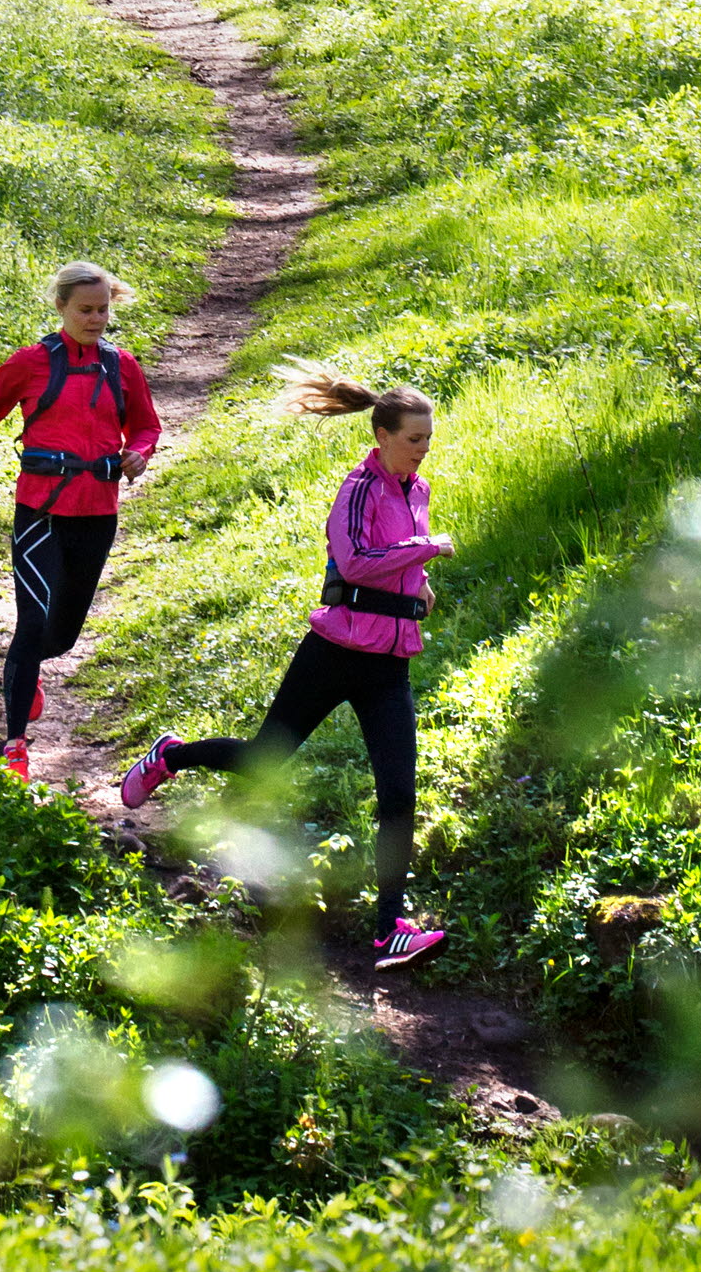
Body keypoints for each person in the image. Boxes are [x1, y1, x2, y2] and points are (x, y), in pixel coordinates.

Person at [119, 366, 454, 969]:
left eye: (428, 439)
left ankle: (388, 928)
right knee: (264, 758)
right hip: (335, 652)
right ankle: (171, 755)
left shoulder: (418, 491)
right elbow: (353, 564)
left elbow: (399, 562)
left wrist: (420, 586)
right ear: (381, 435)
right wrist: (424, 550)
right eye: (413, 439)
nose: (423, 449)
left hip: (389, 665)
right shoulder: (358, 488)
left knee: (399, 794)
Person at [0, 262, 161, 781]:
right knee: (32, 624)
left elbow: (145, 424)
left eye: (104, 309)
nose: (97, 319)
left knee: (60, 638)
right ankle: (14, 745)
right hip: (40, 509)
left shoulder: (121, 366)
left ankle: (30, 671)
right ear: (61, 307)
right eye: (86, 309)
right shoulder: (32, 363)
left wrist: (141, 452)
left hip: (98, 511)